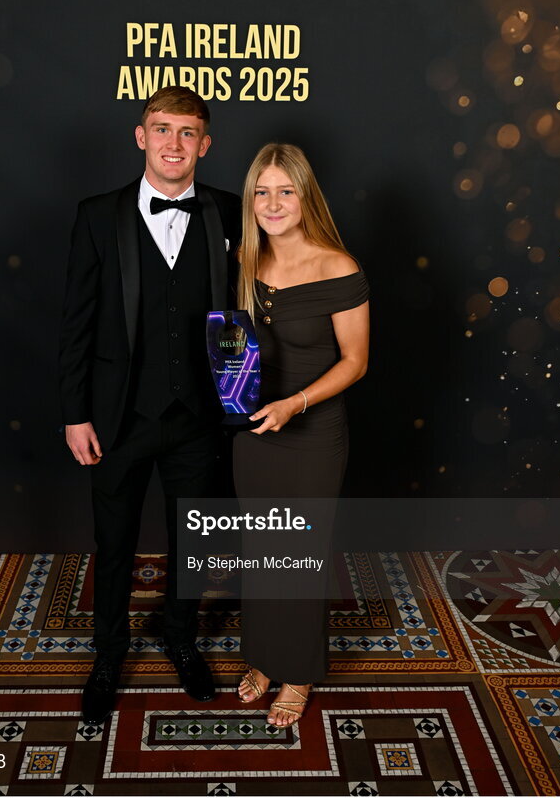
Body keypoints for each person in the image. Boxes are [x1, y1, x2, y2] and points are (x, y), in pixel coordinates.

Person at [59, 86, 241, 725]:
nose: (173, 143)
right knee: (114, 547)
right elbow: (76, 323)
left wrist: (240, 402)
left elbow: (244, 317)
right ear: (141, 137)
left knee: (194, 544)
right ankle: (108, 655)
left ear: (205, 144)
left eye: (187, 132)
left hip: (198, 418)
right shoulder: (96, 215)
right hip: (117, 419)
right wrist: (74, 413)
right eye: (161, 129)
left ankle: (181, 637)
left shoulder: (229, 213)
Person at [233, 142, 369, 728]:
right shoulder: (246, 260)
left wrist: (295, 403)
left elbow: (356, 360)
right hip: (253, 431)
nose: (272, 202)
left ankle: (297, 674)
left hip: (312, 433)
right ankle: (264, 658)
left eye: (285, 190)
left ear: (306, 195)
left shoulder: (338, 266)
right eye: (261, 191)